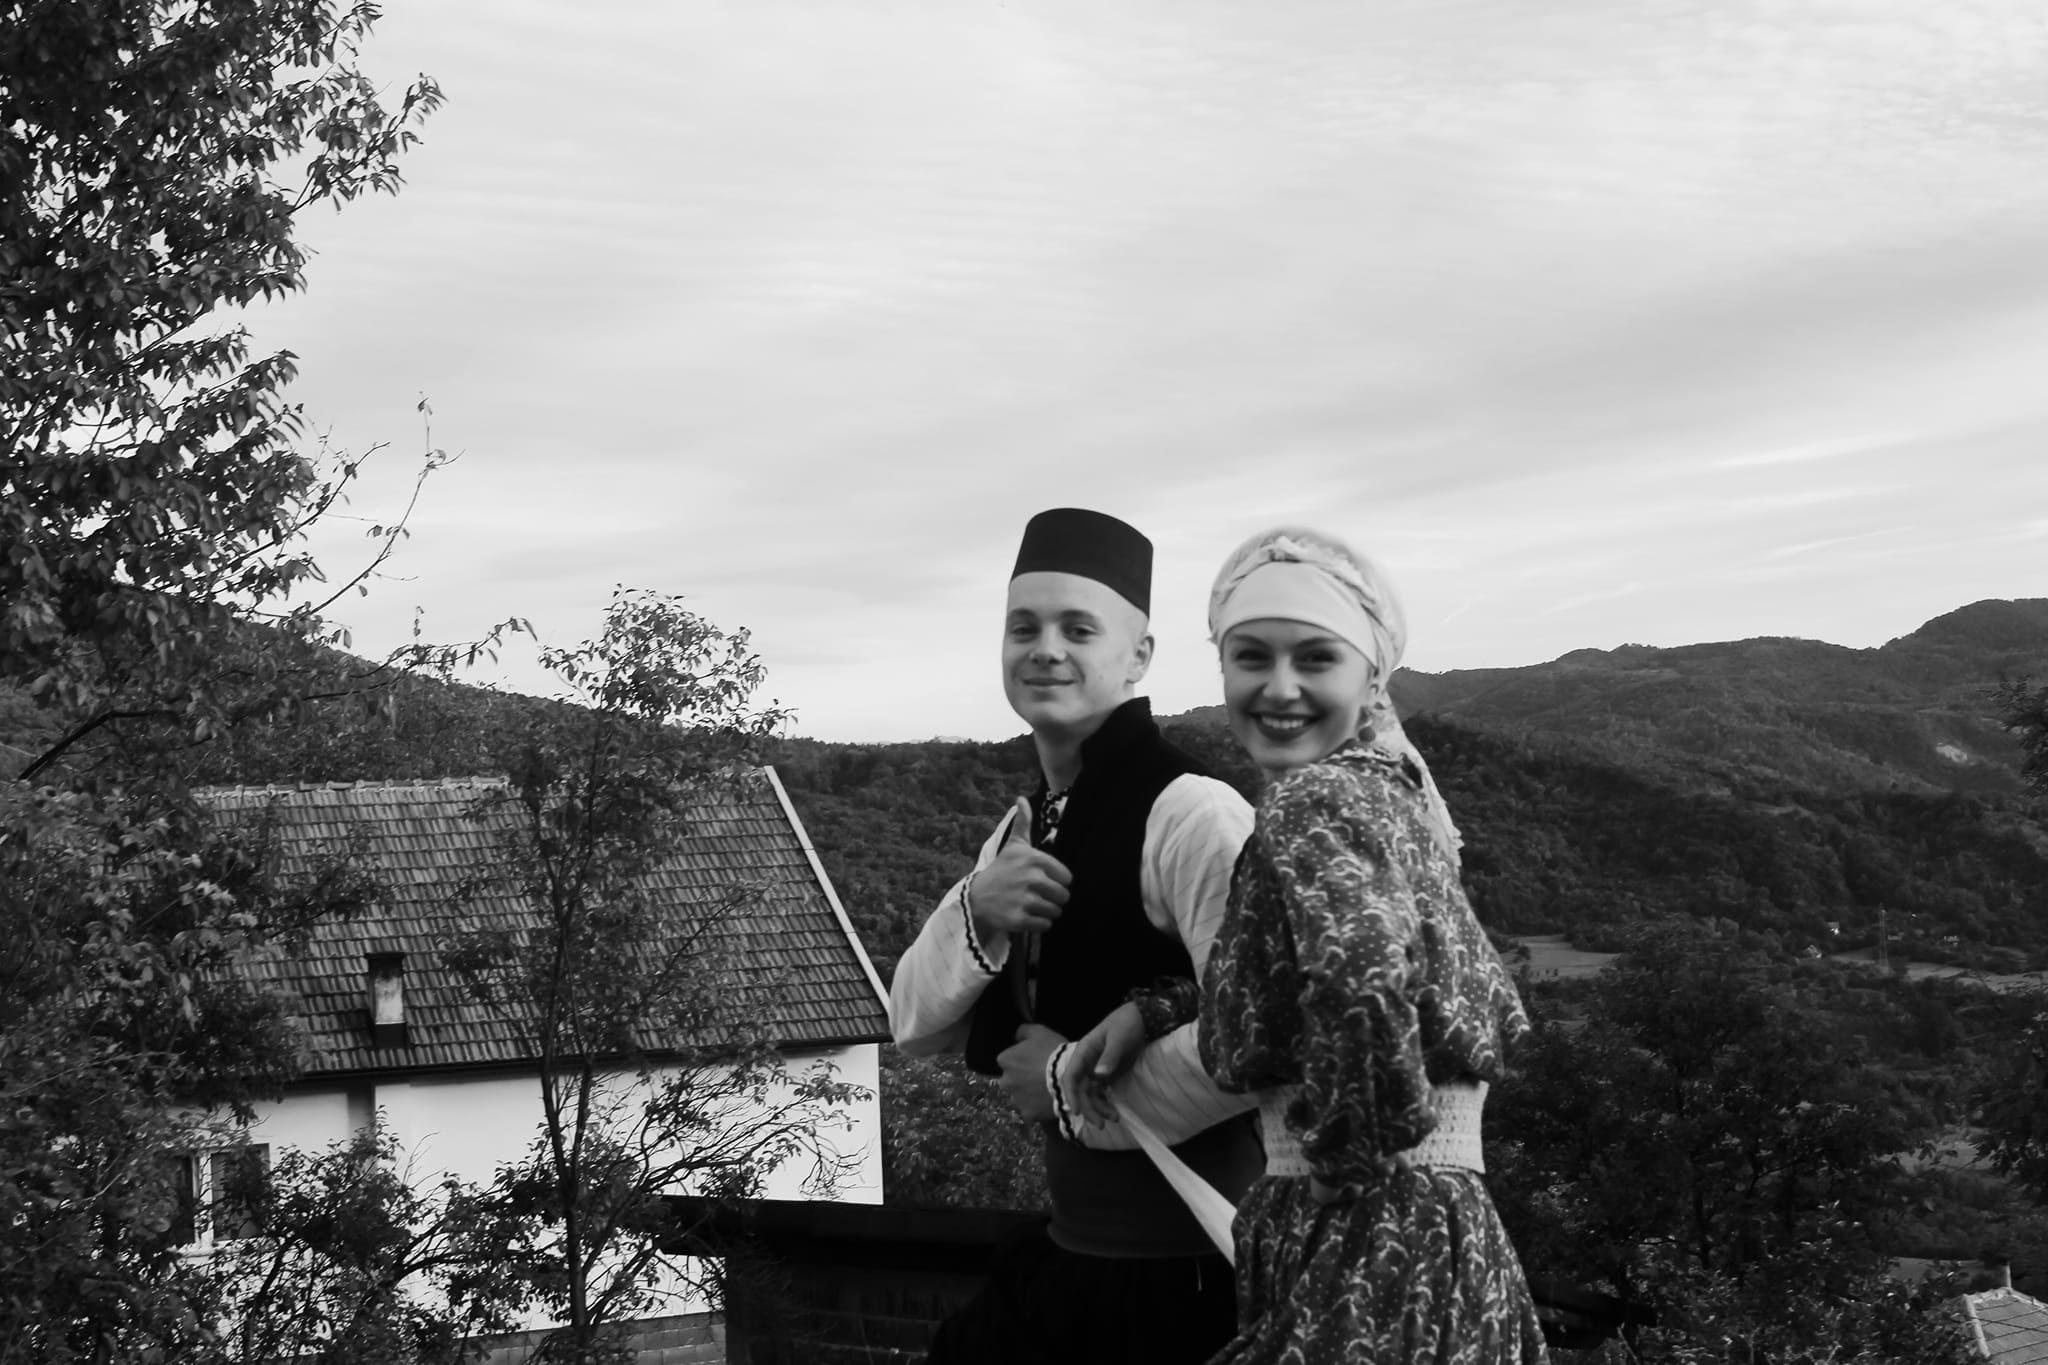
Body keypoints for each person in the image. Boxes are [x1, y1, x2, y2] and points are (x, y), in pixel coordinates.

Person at [1059, 526, 1548, 1365]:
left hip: (1371, 1242)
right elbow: (1330, 972)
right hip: (1445, 1237)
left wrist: (1342, 1161)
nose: (1278, 687)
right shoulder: (1390, 794)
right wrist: (1161, 1008)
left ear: (1371, 675)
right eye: (1252, 657)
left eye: (1315, 658)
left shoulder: (1311, 801)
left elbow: (1364, 982)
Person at [890, 507, 1264, 1365]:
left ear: (1139, 655)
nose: (1045, 649)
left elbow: (1273, 1040)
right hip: (1075, 1260)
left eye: (1078, 628)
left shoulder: (1195, 813)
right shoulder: (1021, 831)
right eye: (1024, 627)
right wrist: (977, 908)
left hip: (1196, 1279)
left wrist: (1067, 1083)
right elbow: (912, 1026)